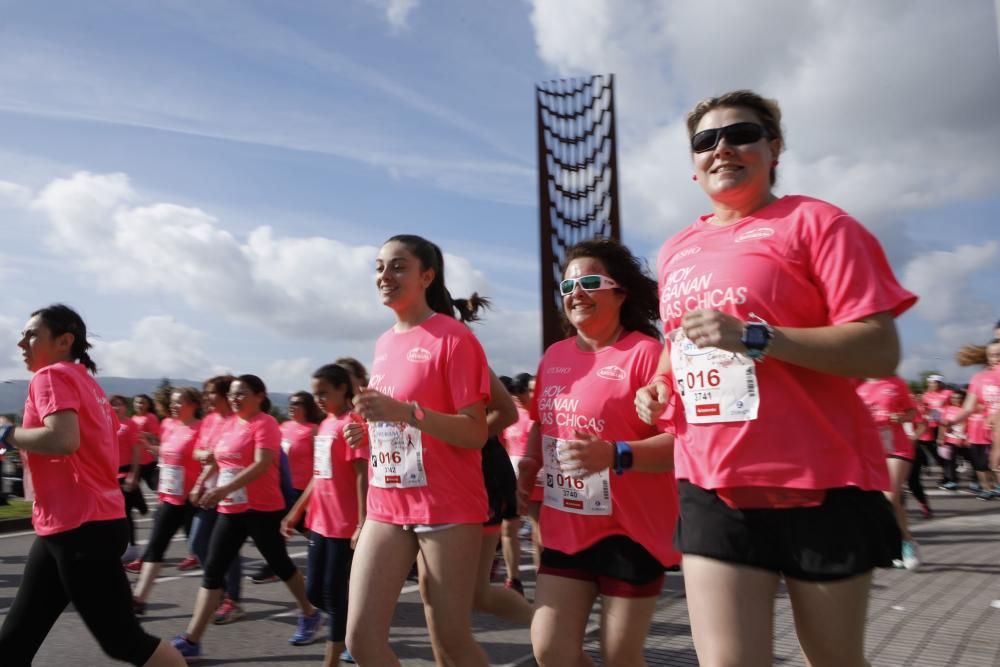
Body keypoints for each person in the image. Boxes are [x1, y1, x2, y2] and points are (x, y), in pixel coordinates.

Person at [634, 90, 917, 667]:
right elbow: (680, 342)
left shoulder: (819, 224)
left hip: (820, 480)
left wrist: (758, 337)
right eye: (705, 141)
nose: (723, 149)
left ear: (774, 148)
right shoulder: (676, 250)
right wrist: (659, 383)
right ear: (692, 164)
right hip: (712, 483)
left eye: (740, 134)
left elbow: (880, 348)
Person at [517, 238, 680, 666]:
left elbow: (681, 446)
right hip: (566, 525)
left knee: (619, 656)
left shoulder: (647, 354)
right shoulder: (554, 356)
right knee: (550, 650)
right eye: (568, 286)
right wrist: (530, 463)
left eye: (590, 282)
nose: (576, 293)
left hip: (630, 530)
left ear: (621, 292)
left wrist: (616, 454)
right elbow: (541, 422)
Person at [0, 304, 184, 666]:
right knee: (13, 646)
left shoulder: (50, 376)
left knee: (124, 642)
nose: (22, 342)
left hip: (82, 528)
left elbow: (62, 439)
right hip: (69, 525)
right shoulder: (85, 382)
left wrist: (8, 433)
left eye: (32, 334)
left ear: (64, 340)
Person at [343, 234, 493, 666]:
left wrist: (407, 412)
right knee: (362, 639)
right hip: (386, 503)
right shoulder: (384, 343)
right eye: (378, 267)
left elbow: (475, 432)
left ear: (427, 276)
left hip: (446, 507)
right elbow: (399, 422)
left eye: (397, 266)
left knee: (451, 642)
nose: (384, 276)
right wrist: (370, 432)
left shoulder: (453, 339)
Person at [171, 374, 320, 660]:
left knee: (281, 564)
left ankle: (310, 613)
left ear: (260, 396)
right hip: (231, 508)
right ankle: (192, 640)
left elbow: (262, 464)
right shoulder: (228, 424)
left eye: (242, 393)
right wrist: (202, 482)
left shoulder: (266, 424)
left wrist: (224, 487)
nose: (235, 399)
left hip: (262, 509)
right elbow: (217, 459)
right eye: (233, 395)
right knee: (213, 569)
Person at [417, 367, 532, 665]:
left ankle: (552, 631)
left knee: (472, 595)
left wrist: (460, 438)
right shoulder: (399, 350)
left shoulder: (457, 346)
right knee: (430, 590)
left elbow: (506, 412)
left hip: (480, 477)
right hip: (433, 482)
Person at [282, 364, 369, 667]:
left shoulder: (352, 421)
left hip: (344, 525)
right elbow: (319, 476)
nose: (317, 398)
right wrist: (295, 512)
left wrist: (361, 522)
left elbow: (361, 476)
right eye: (315, 393)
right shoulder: (326, 423)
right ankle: (357, 630)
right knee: (314, 592)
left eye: (324, 392)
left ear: (343, 389)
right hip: (319, 521)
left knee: (333, 594)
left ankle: (333, 658)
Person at [131, 388, 205, 613]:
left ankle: (222, 594)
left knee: (203, 551)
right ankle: (139, 599)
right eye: (171, 402)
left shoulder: (201, 428)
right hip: (169, 498)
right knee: (155, 547)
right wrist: (150, 447)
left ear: (193, 404)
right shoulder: (168, 425)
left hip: (193, 499)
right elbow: (166, 454)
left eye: (179, 402)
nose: (173, 406)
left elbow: (207, 461)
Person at [185, 375, 245, 624]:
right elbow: (198, 451)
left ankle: (232, 599)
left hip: (230, 491)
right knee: (197, 543)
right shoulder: (209, 421)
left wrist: (211, 460)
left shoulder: (237, 421)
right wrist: (206, 457)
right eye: (206, 392)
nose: (207, 397)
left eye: (211, 392)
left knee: (227, 549)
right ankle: (218, 589)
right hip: (210, 488)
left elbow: (229, 458)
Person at [251, 391, 324, 584]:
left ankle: (328, 552)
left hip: (304, 490)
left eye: (297, 403)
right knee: (282, 528)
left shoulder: (313, 430)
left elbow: (322, 462)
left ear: (307, 407)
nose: (292, 406)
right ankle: (274, 566)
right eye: (290, 403)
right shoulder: (283, 427)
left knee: (305, 528)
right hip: (283, 486)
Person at [856, 377, 920, 570]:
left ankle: (907, 543)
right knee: (874, 500)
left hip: (897, 447)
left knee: (891, 495)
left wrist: (900, 418)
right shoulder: (858, 384)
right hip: (870, 449)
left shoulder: (896, 383)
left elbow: (912, 412)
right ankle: (891, 544)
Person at [945, 338, 1000, 500]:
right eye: (992, 355)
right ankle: (988, 487)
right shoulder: (980, 378)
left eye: (999, 354)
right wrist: (952, 421)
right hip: (993, 433)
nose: (996, 358)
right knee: (993, 465)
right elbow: (968, 407)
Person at [501, 372, 542, 574]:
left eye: (522, 391)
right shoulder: (512, 415)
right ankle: (513, 578)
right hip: (512, 478)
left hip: (538, 479)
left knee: (539, 532)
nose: (516, 395)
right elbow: (505, 444)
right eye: (513, 392)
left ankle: (541, 575)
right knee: (508, 529)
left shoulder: (537, 416)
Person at [110, 394, 146, 563]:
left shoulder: (130, 424)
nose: (116, 407)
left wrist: (133, 474)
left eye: (120, 404)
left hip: (125, 473)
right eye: (113, 404)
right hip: (108, 474)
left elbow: (137, 451)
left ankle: (131, 548)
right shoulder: (105, 424)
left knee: (125, 513)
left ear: (126, 406)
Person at [919, 374, 953, 485]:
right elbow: (924, 409)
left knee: (946, 452)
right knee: (935, 453)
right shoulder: (926, 395)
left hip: (945, 426)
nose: (934, 384)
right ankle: (945, 474)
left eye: (936, 382)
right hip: (931, 427)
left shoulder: (948, 393)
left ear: (941, 383)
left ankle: (949, 477)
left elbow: (955, 406)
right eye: (931, 382)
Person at [132, 393, 162, 497]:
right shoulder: (133, 418)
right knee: (131, 487)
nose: (139, 405)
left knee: (156, 487)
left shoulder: (150, 417)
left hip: (149, 460)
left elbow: (156, 436)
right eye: (136, 402)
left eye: (142, 403)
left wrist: (143, 434)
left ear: (148, 405)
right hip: (136, 460)